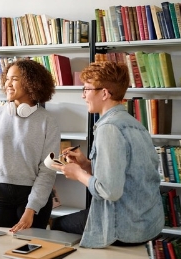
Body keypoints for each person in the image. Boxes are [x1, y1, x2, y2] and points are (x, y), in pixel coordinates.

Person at [49, 61, 164, 248]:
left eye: (86, 89)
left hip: (124, 226)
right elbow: (125, 173)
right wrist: (86, 165)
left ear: (104, 93)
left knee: (59, 225)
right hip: (148, 222)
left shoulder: (109, 128)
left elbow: (110, 191)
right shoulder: (134, 124)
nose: (83, 95)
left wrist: (79, 174)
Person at [0, 59, 61, 232]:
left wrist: (31, 209)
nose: (8, 84)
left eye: (15, 79)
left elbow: (47, 171)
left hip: (35, 200)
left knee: (28, 252)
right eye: (7, 79)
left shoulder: (48, 122)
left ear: (31, 82)